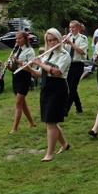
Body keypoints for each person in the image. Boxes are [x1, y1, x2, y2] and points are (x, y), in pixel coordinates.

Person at [26, 29, 71, 161]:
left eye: (54, 40)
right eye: (49, 40)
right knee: (50, 120)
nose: (52, 43)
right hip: (46, 87)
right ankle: (64, 144)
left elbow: (56, 72)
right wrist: (29, 68)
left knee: (51, 121)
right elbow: (41, 73)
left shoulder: (64, 54)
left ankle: (49, 154)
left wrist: (40, 63)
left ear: (59, 39)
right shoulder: (47, 54)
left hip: (58, 88)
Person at [7, 31, 36, 134]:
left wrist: (17, 60)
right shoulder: (16, 50)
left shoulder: (29, 51)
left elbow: (29, 66)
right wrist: (9, 65)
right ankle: (32, 122)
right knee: (22, 103)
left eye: (19, 38)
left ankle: (14, 128)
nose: (17, 40)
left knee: (18, 103)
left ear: (25, 39)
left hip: (25, 77)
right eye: (16, 39)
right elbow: (13, 67)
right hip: (16, 77)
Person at [64, 21, 88, 115]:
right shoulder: (68, 38)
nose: (71, 29)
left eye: (73, 27)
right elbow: (64, 51)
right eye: (70, 27)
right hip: (69, 64)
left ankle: (66, 109)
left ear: (78, 28)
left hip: (78, 64)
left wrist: (70, 43)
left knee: (73, 88)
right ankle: (79, 107)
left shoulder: (83, 38)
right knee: (71, 87)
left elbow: (81, 51)